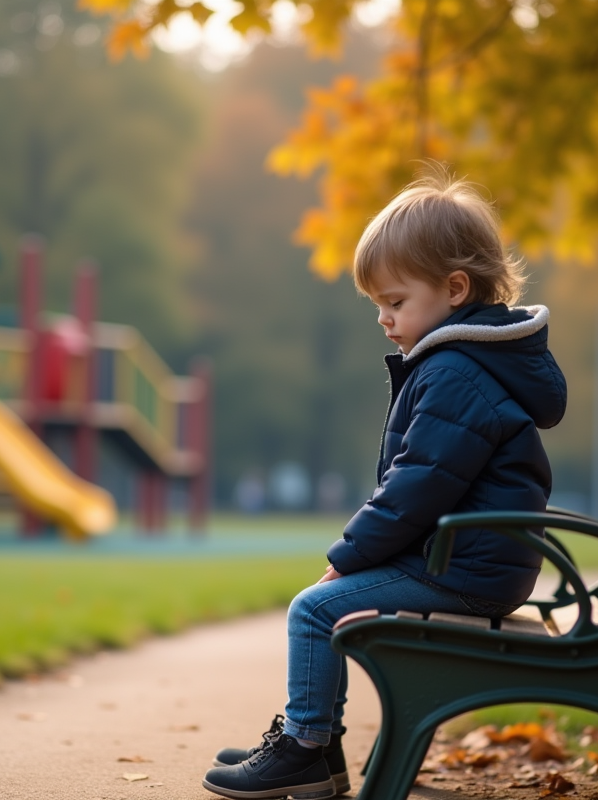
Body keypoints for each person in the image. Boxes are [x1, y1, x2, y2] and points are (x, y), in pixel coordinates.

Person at [202, 167, 567, 800]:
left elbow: (416, 487)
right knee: (326, 608)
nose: (383, 318)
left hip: (465, 569)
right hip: (472, 559)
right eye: (378, 305)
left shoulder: (456, 372)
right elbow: (426, 484)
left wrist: (345, 558)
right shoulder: (467, 363)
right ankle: (313, 742)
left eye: (395, 303)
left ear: (455, 289)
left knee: (315, 609)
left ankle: (307, 747)